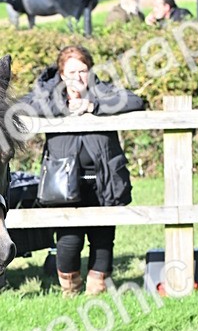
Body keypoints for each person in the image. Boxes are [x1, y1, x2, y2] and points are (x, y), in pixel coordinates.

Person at [16, 45, 145, 297]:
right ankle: (70, 292)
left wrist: (91, 106)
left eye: (83, 70)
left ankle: (97, 291)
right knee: (68, 239)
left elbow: (135, 100)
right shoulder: (47, 93)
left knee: (103, 237)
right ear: (62, 74)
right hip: (63, 181)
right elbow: (23, 106)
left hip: (104, 178)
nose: (78, 77)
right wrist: (64, 106)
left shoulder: (102, 90)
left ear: (91, 71)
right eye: (71, 71)